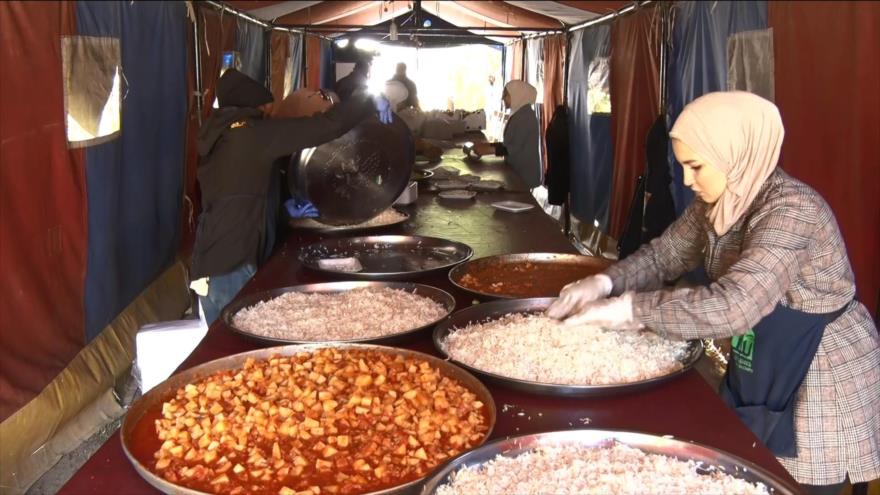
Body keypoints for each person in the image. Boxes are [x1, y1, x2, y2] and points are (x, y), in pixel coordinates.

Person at [546, 91, 880, 494]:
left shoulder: (791, 210)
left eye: (696, 166)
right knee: (752, 460)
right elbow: (664, 256)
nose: (687, 180)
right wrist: (604, 282)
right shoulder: (719, 202)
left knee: (797, 481)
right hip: (765, 346)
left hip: (817, 363)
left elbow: (734, 306)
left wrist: (628, 311)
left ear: (734, 154)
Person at [192, 69, 392, 324]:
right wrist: (368, 101)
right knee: (237, 342)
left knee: (223, 341)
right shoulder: (251, 133)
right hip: (232, 263)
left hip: (213, 259)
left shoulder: (222, 135)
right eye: (267, 106)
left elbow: (237, 196)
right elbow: (325, 126)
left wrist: (283, 212)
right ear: (258, 105)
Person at [464, 80, 542, 189]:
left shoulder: (525, 117)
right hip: (517, 170)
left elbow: (514, 148)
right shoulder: (519, 113)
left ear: (517, 94)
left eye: (506, 95)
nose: (502, 98)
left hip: (524, 174)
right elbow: (509, 143)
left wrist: (488, 150)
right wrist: (488, 146)